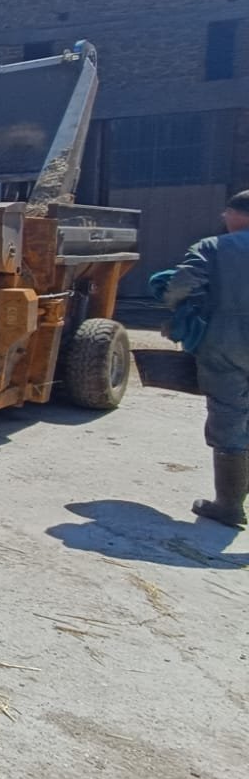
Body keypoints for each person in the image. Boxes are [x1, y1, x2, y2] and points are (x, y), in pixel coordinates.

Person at [158, 189, 249, 529]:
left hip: (227, 343)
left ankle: (228, 504)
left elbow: (181, 285)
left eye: (225, 214)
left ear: (234, 214)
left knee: (229, 414)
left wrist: (176, 311)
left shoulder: (214, 247)